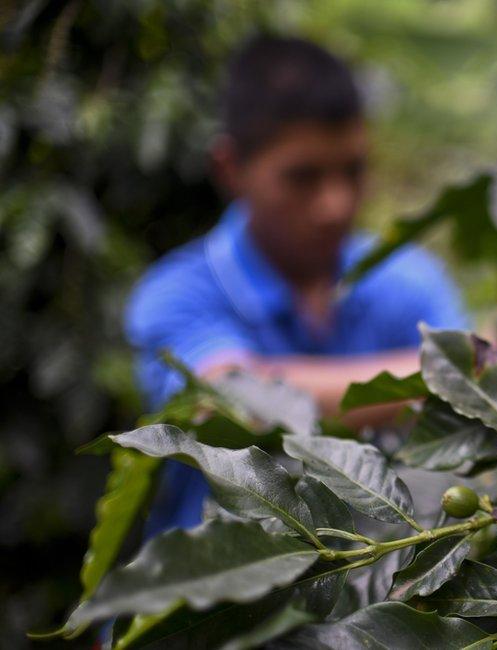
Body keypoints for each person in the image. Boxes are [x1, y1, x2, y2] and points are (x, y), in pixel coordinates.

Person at [125, 35, 468, 536]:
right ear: (230, 168)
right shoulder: (177, 296)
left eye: (353, 170)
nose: (336, 204)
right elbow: (228, 400)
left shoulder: (406, 277)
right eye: (302, 177)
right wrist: (449, 373)